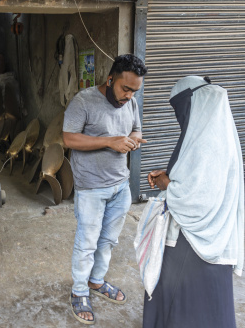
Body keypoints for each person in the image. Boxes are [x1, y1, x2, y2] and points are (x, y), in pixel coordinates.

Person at [144, 76, 243, 328]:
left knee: (180, 302)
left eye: (180, 110)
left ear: (192, 105)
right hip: (216, 236)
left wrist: (168, 185)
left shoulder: (206, 143)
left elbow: (194, 199)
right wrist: (168, 177)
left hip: (192, 243)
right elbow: (195, 179)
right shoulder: (219, 135)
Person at [62, 54, 148, 325]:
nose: (129, 96)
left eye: (135, 90)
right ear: (110, 79)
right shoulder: (84, 100)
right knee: (87, 243)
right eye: (125, 88)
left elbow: (135, 129)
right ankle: (79, 291)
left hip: (120, 186)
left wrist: (133, 140)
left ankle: (96, 281)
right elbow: (69, 138)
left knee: (108, 240)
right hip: (91, 188)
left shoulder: (130, 102)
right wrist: (110, 142)